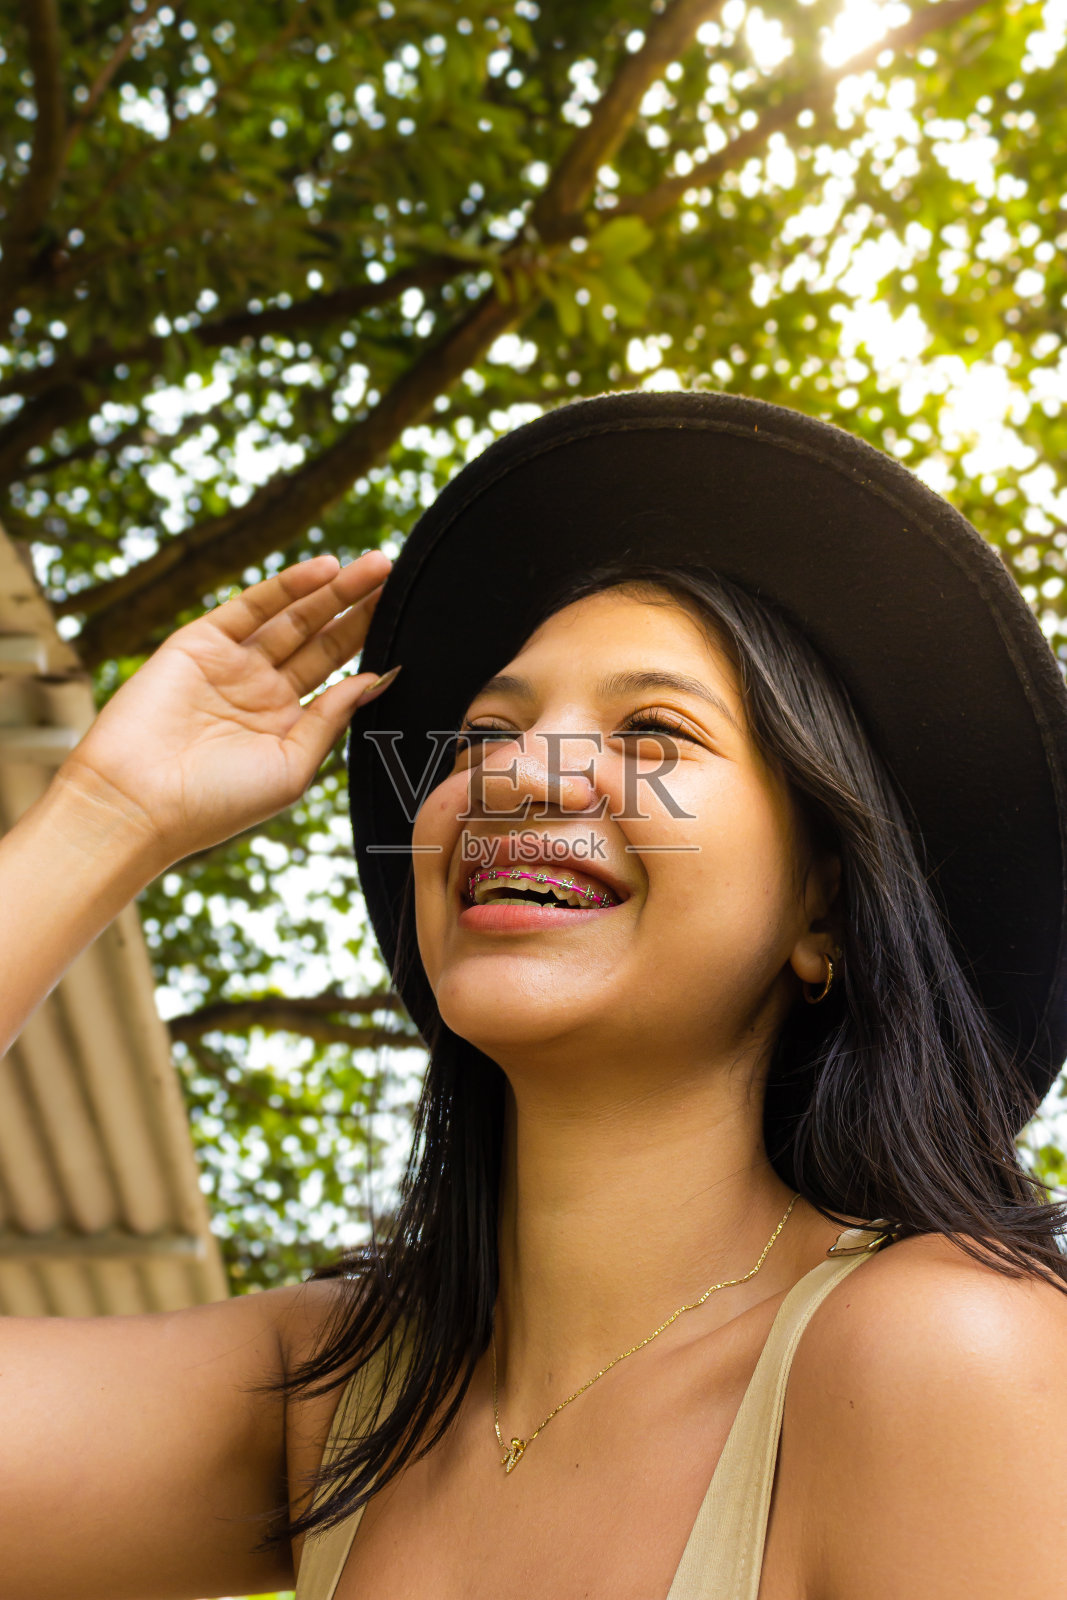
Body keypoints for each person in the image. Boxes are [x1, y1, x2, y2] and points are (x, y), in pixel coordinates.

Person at [2, 389, 1067, 1600]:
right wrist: (106, 818)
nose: (517, 773)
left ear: (819, 912)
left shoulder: (943, 1356)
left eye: (653, 730)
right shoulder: (339, 1401)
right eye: (479, 736)